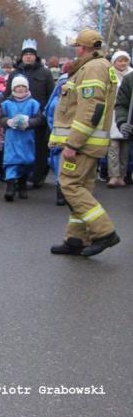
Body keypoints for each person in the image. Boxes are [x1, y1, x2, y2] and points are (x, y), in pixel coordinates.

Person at [49, 29, 120, 257]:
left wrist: (73, 144)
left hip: (82, 145)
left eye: (77, 46)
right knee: (81, 187)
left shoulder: (92, 68)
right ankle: (76, 239)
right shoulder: (97, 66)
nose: (75, 50)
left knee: (70, 186)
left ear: (85, 47)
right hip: (88, 144)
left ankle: (104, 232)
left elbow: (91, 109)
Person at [6, 39, 54, 187]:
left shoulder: (45, 73)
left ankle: (38, 176)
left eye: (31, 54)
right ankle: (18, 177)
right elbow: (7, 93)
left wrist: (46, 114)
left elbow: (51, 95)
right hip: (17, 117)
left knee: (39, 149)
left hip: (38, 118)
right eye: (25, 54)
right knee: (18, 149)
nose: (28, 57)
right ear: (22, 56)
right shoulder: (15, 73)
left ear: (35, 56)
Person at [0, 76, 43, 201]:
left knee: (26, 162)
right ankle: (10, 187)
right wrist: (8, 122)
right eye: (18, 87)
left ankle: (22, 184)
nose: (20, 89)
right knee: (11, 162)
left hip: (27, 139)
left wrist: (29, 123)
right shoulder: (7, 104)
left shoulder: (33, 104)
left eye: (23, 87)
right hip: (12, 139)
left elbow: (39, 119)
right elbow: (1, 119)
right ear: (13, 88)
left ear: (27, 88)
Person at [45, 62, 72, 205]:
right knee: (59, 167)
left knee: (70, 167)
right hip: (57, 141)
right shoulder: (55, 102)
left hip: (72, 140)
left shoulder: (76, 102)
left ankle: (69, 191)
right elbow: (49, 117)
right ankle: (60, 191)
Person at [107, 51, 132, 187]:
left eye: (125, 60)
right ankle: (113, 175)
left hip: (128, 115)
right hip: (113, 114)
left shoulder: (131, 74)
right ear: (114, 62)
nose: (122, 63)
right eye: (119, 60)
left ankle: (123, 175)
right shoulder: (109, 74)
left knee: (125, 149)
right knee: (113, 147)